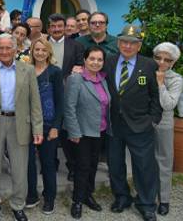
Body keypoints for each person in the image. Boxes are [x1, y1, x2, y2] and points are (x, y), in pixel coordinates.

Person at [0, 33, 43, 221]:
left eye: (8, 48)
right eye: (1, 48)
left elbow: (35, 102)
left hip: (19, 124)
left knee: (20, 168)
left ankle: (18, 205)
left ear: (15, 49)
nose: (5, 51)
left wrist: (37, 129)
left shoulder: (28, 70)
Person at [104, 25, 161, 221]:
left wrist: (153, 119)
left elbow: (155, 95)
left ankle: (146, 204)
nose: (127, 46)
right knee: (115, 164)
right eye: (124, 42)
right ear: (118, 43)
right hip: (114, 124)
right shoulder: (108, 62)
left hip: (140, 124)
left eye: (132, 43)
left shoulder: (149, 65)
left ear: (139, 46)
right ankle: (122, 197)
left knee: (144, 166)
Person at [64, 45, 110, 219]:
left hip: (100, 130)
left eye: (99, 59)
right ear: (84, 60)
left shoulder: (103, 79)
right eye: (92, 59)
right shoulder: (76, 79)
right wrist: (74, 132)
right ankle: (77, 200)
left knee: (92, 166)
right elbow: (69, 107)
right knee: (82, 167)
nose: (95, 62)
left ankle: (87, 195)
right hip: (82, 132)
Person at [25, 39, 64, 214]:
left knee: (47, 163)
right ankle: (31, 195)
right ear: (32, 51)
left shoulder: (55, 72)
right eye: (36, 49)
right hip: (28, 124)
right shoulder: (25, 71)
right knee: (29, 163)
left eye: (43, 50)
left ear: (49, 52)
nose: (40, 53)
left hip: (49, 125)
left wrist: (56, 126)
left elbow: (60, 102)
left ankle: (49, 198)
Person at [152, 42, 183, 216]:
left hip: (164, 125)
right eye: (158, 57)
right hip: (145, 123)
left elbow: (168, 104)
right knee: (146, 161)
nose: (161, 62)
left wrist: (160, 84)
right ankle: (147, 196)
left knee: (164, 162)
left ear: (173, 62)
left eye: (167, 60)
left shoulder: (176, 80)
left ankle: (164, 199)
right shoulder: (145, 74)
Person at [46, 13, 84, 181]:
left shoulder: (75, 45)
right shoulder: (42, 44)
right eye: (53, 26)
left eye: (59, 26)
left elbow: (79, 65)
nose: (56, 29)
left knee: (66, 132)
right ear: (49, 28)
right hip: (47, 94)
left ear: (65, 27)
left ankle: (72, 166)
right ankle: (50, 163)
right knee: (49, 129)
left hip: (68, 94)